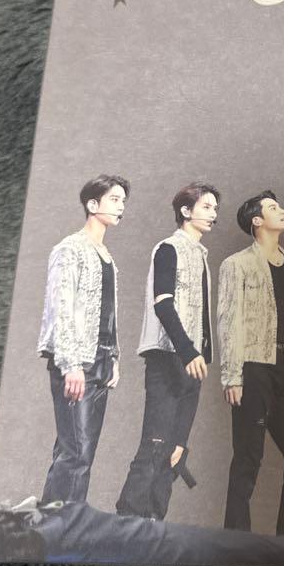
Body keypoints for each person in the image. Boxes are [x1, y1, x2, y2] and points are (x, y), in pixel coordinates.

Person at [216, 190, 284, 533]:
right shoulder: (236, 264)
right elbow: (228, 321)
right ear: (257, 221)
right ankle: (235, 541)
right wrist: (232, 376)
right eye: (274, 208)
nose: (282, 210)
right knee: (248, 457)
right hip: (252, 368)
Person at [116, 182, 219, 519]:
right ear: (186, 211)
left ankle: (153, 523)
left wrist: (201, 353)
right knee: (155, 443)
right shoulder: (168, 249)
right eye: (206, 207)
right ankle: (127, 520)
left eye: (215, 208)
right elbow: (163, 304)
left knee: (175, 451)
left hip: (193, 362)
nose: (213, 214)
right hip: (169, 357)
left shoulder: (200, 255)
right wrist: (188, 351)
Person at [37, 175, 129, 505]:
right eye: (114, 199)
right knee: (75, 452)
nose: (121, 207)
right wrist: (71, 364)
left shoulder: (106, 256)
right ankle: (60, 526)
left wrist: (114, 357)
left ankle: (59, 523)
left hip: (101, 360)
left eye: (123, 201)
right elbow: (61, 308)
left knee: (82, 452)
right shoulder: (69, 249)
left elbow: (107, 314)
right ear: (92, 204)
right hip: (76, 360)